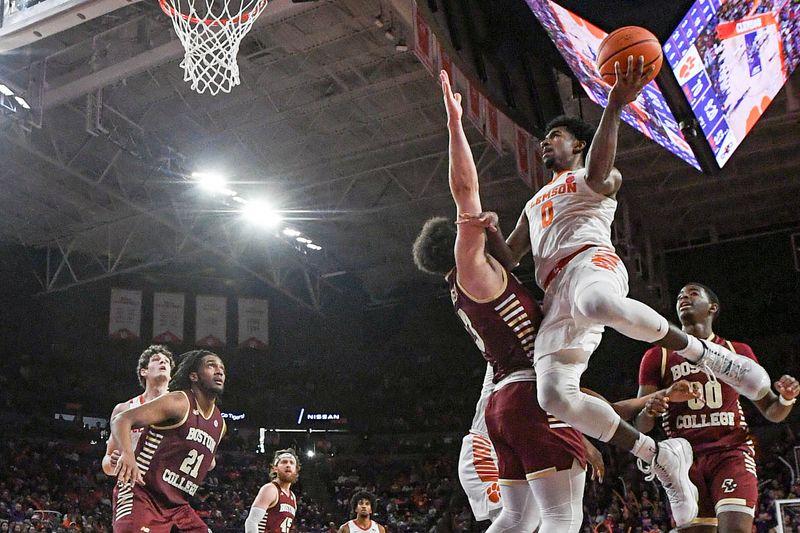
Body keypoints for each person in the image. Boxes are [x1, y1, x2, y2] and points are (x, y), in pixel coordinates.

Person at [458, 56, 772, 527]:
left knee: (597, 303)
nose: (545, 142)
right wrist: (494, 231)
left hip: (591, 263)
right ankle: (660, 457)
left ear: (578, 145)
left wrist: (615, 105)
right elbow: (511, 260)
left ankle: (707, 355)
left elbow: (604, 166)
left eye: (555, 137)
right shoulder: (534, 201)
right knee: (553, 397)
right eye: (544, 139)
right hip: (553, 291)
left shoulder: (592, 178)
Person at [636, 282, 800, 533]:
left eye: (692, 293)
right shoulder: (658, 356)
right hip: (685, 461)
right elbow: (640, 425)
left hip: (731, 452)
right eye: (680, 295)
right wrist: (649, 410)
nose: (683, 298)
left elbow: (772, 412)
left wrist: (786, 398)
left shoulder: (737, 351)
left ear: (712, 307)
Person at [110, 350, 227, 533]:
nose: (219, 371)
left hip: (177, 505)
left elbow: (205, 460)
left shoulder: (220, 424)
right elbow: (121, 420)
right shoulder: (179, 402)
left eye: (222, 368)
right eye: (211, 365)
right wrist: (127, 454)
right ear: (194, 376)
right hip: (143, 493)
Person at [102, 345, 175, 477]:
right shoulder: (124, 409)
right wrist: (115, 464)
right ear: (144, 371)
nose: (163, 362)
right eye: (156, 359)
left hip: (166, 488)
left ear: (170, 376)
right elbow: (107, 461)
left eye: (167, 361)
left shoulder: (181, 409)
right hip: (133, 486)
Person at [244, 448, 299, 533]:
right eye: (284, 462)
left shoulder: (292, 497)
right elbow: (251, 522)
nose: (288, 465)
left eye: (291, 463)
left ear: (296, 470)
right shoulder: (270, 489)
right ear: (275, 468)